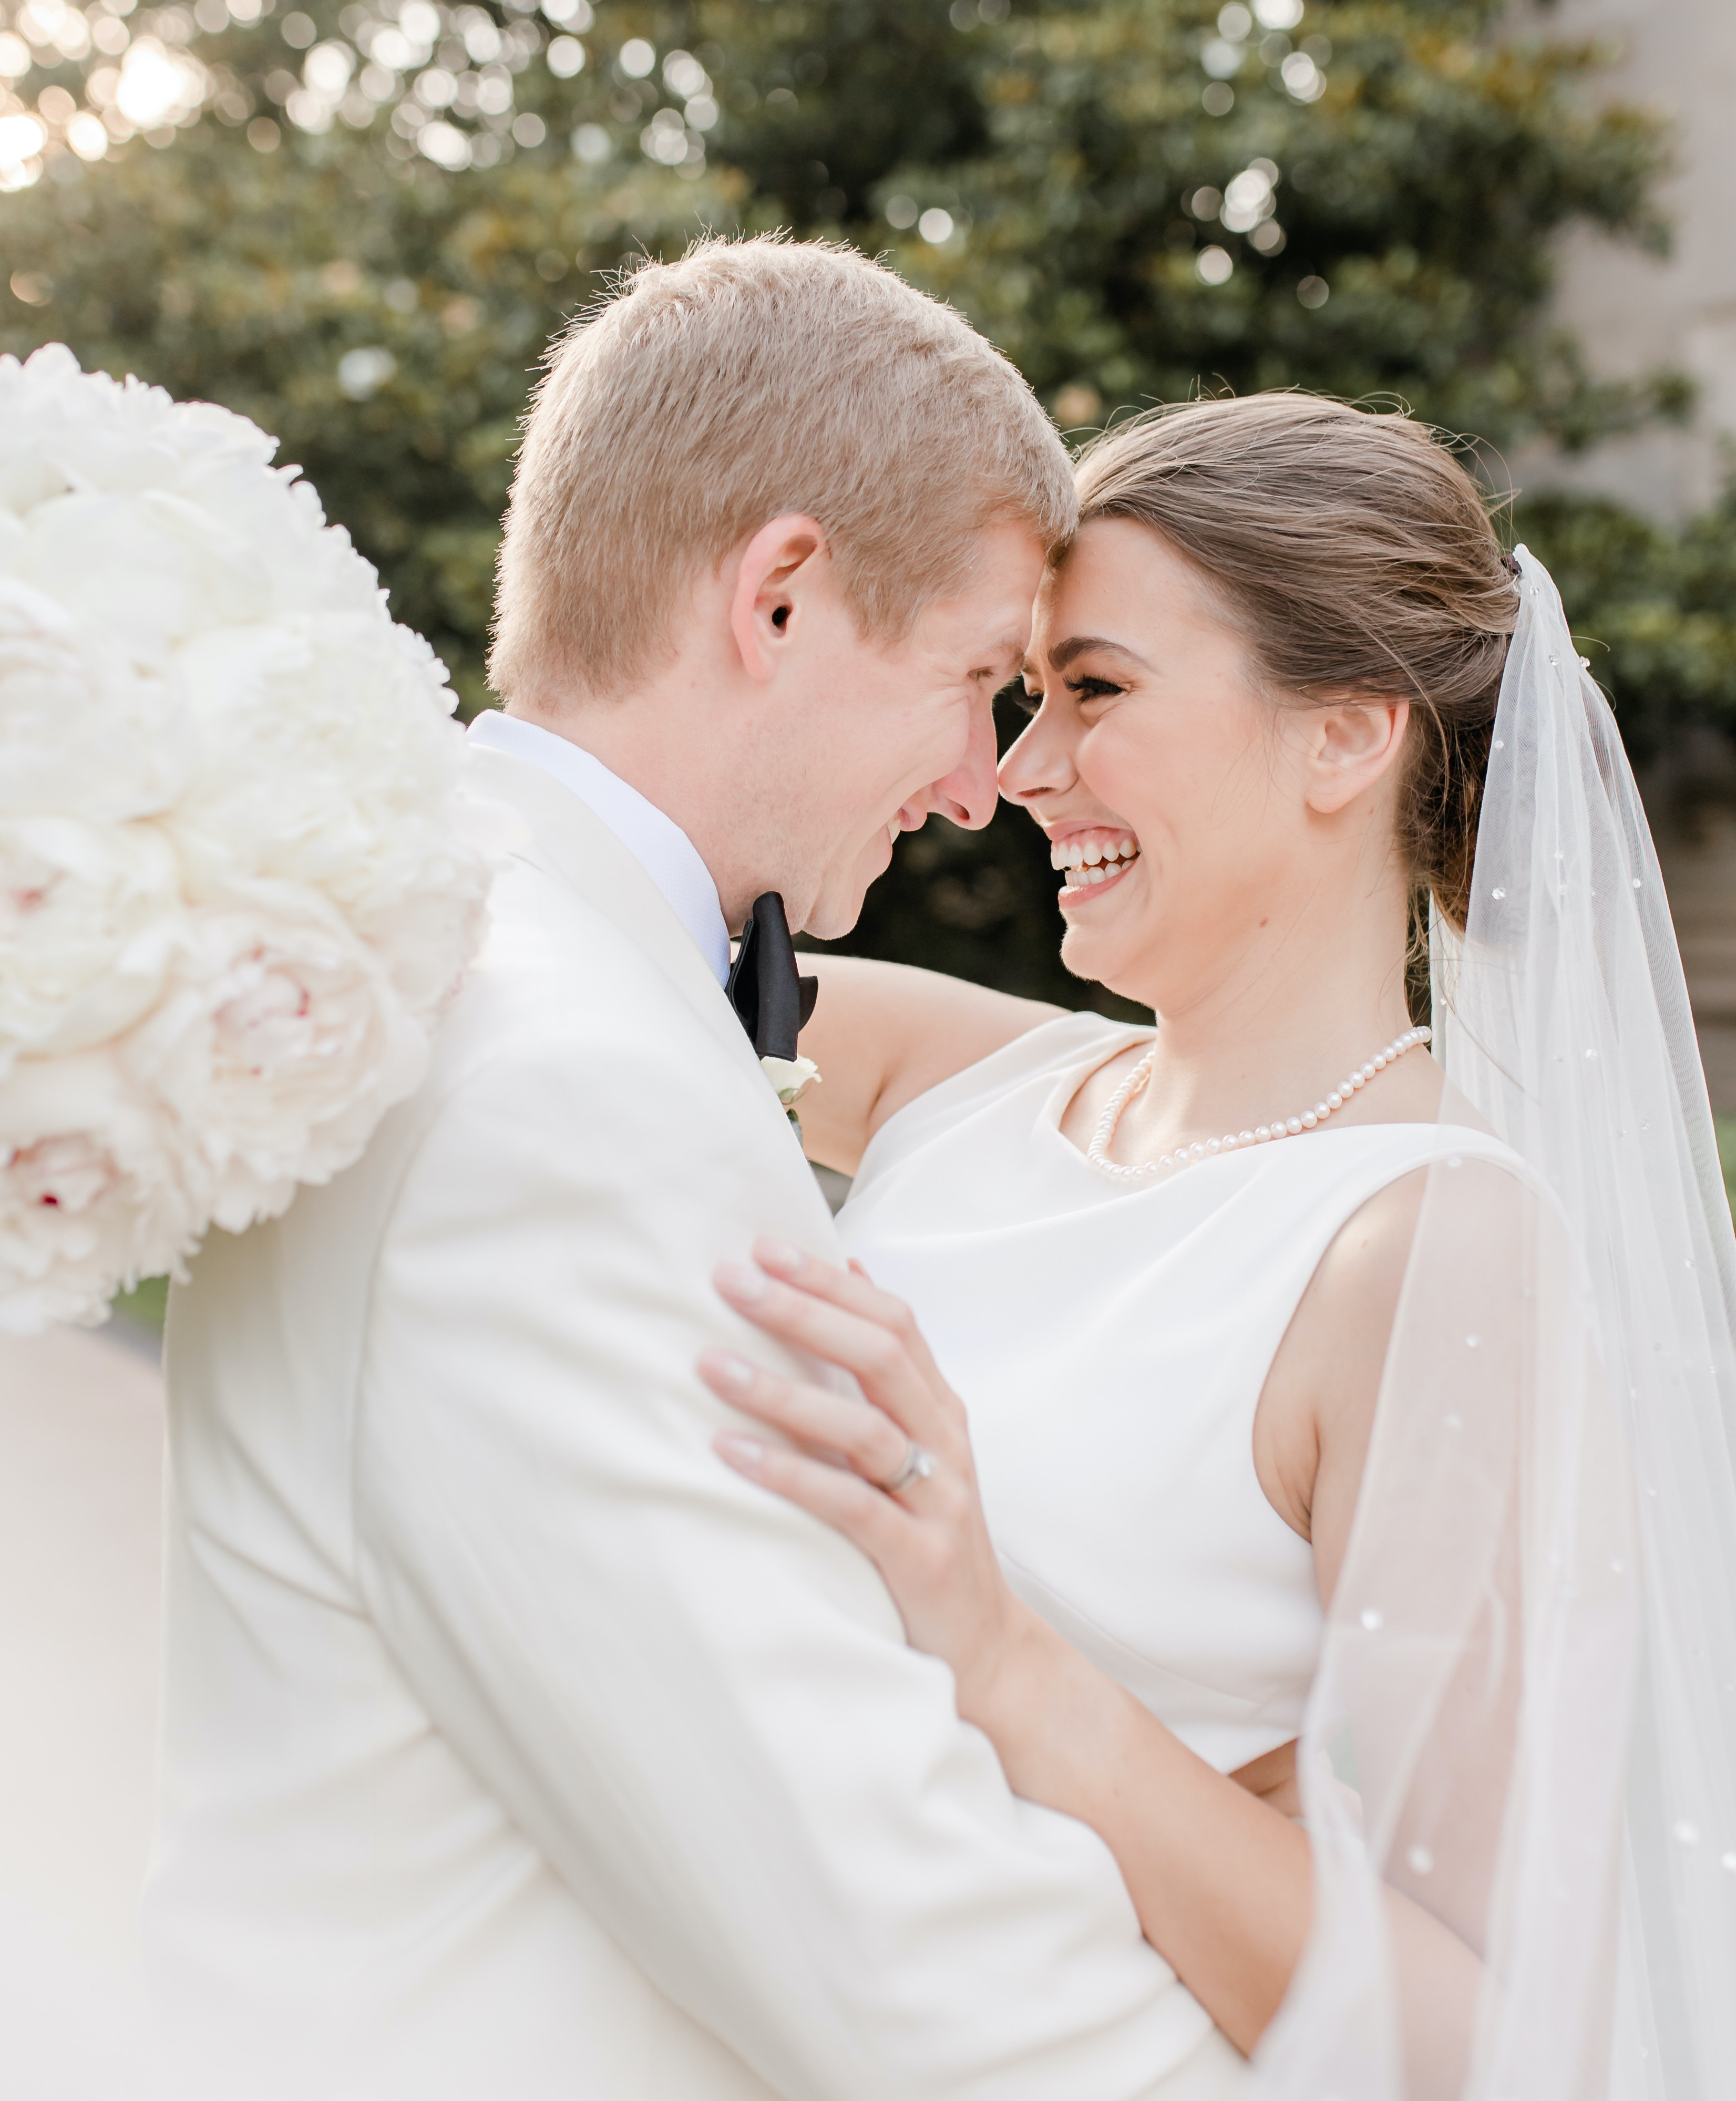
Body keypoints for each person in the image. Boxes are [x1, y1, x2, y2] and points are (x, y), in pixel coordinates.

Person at [145, 237, 1246, 2099]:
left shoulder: (436, 960)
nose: (985, 782)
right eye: (979, 677)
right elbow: (891, 1947)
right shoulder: (566, 1090)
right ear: (786, 599)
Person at [707, 397, 1736, 2100]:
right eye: (1024, 698)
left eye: (1093, 692)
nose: (1015, 774)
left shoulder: (1426, 1249)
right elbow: (608, 931)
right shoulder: (976, 1082)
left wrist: (1008, 1659)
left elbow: (1468, 2041)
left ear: (1344, 740)